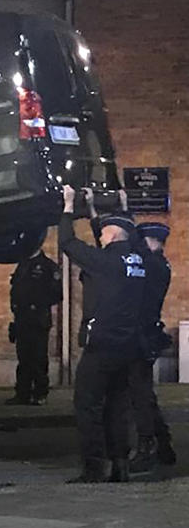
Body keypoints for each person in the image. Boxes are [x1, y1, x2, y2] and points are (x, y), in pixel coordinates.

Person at [60, 186, 146, 483]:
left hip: (102, 347)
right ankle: (120, 464)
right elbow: (124, 234)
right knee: (117, 407)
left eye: (103, 233)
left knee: (88, 405)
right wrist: (115, 209)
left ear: (110, 236)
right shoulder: (138, 261)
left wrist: (69, 206)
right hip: (129, 348)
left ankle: (94, 467)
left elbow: (67, 242)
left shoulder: (105, 263)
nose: (101, 236)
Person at [129, 221, 175, 472]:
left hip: (142, 337)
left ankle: (148, 447)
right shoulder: (158, 263)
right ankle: (163, 444)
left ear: (153, 241)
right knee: (144, 394)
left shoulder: (154, 265)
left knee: (140, 395)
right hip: (145, 335)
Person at [7, 242, 62, 405]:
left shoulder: (48, 266)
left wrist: (38, 304)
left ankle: (40, 393)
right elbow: (15, 290)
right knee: (23, 358)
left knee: (38, 358)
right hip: (21, 319)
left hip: (38, 319)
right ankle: (22, 393)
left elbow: (57, 293)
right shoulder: (23, 265)